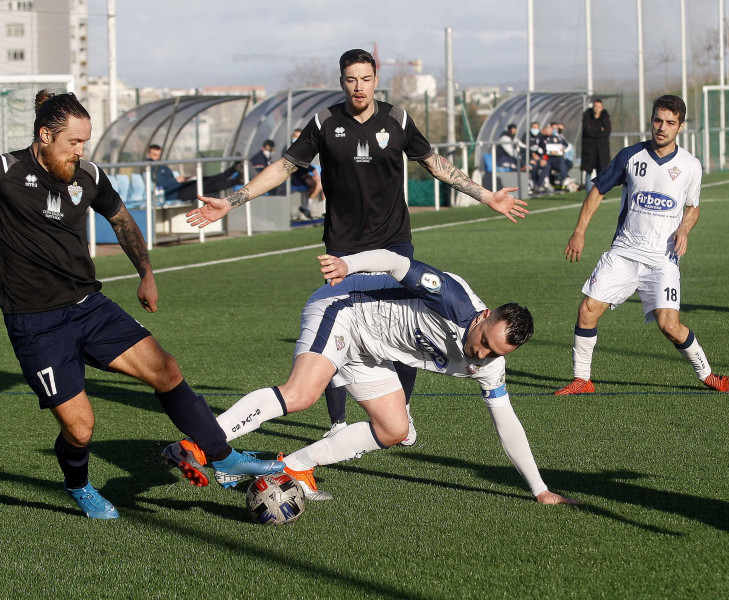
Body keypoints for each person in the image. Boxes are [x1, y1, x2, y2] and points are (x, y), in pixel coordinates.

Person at [0, 90, 284, 519]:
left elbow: (121, 219)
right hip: (35, 324)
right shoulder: (2, 170)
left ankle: (222, 457)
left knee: (166, 370)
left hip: (90, 307)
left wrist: (145, 273)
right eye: (73, 142)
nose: (80, 151)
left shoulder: (88, 175)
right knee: (80, 427)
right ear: (44, 135)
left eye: (84, 143)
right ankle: (78, 485)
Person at [186, 48, 528, 448]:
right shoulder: (325, 122)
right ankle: (336, 423)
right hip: (344, 246)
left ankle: (399, 409)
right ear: (341, 81)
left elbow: (436, 164)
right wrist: (233, 200)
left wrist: (486, 196)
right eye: (351, 79)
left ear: (376, 79)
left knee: (401, 323)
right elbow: (285, 166)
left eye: (365, 79)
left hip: (394, 243)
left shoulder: (397, 119)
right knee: (340, 324)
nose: (358, 87)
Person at [171, 249, 580, 505]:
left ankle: (295, 467)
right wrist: (349, 265)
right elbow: (396, 262)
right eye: (485, 342)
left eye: (495, 352)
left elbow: (506, 423)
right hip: (346, 307)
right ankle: (198, 442)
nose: (481, 353)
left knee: (395, 428)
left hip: (372, 350)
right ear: (485, 316)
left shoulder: (491, 363)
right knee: (301, 394)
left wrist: (539, 488)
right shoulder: (452, 297)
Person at [555, 95, 729, 396]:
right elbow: (598, 190)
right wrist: (579, 232)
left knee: (669, 326)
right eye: (657, 120)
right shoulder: (631, 156)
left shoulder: (690, 165)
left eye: (669, 123)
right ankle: (582, 380)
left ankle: (708, 375)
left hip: (663, 259)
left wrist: (685, 229)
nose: (661, 128)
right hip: (624, 252)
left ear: (680, 126)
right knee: (587, 309)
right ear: (651, 120)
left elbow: (693, 207)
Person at [288, 128, 323, 219]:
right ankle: (305, 208)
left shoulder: (303, 148)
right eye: (295, 137)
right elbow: (296, 164)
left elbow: (306, 163)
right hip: (294, 176)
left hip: (302, 175)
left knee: (319, 184)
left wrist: (313, 172)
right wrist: (308, 173)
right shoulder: (290, 148)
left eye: (298, 136)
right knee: (318, 185)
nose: (296, 139)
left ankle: (306, 208)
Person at [580, 98, 611, 190]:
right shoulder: (587, 116)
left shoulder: (605, 117)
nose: (597, 108)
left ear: (602, 108)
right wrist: (599, 129)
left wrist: (594, 131)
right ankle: (589, 191)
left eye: (599, 107)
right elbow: (588, 130)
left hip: (601, 149)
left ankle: (599, 191)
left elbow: (607, 131)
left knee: (601, 171)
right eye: (595, 106)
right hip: (589, 149)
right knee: (588, 171)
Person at [528, 122, 552, 194]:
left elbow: (544, 150)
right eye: (533, 127)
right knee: (534, 166)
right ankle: (534, 185)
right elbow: (526, 149)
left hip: (539, 159)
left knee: (547, 166)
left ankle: (538, 185)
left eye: (536, 128)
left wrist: (543, 159)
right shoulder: (527, 136)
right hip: (528, 159)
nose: (535, 129)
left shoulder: (541, 137)